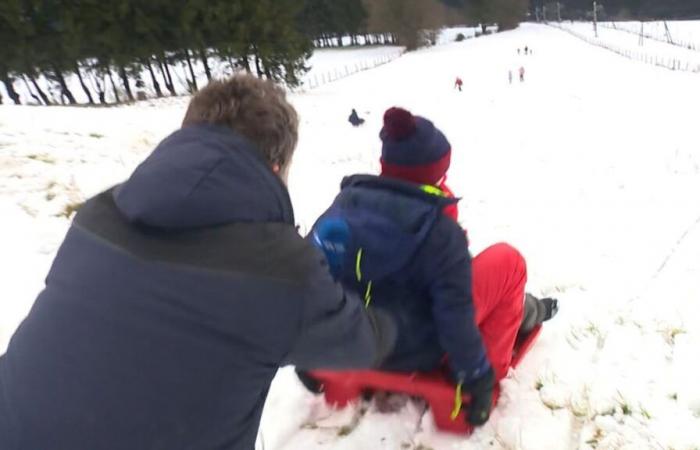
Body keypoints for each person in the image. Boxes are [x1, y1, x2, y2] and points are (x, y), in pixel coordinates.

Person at [0, 75, 396, 450]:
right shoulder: (280, 269)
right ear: (276, 168)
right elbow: (360, 343)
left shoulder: (96, 216)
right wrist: (396, 319)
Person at [307, 107, 558, 426]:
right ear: (435, 174)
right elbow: (455, 311)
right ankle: (493, 364)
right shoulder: (439, 232)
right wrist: (476, 377)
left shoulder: (340, 211)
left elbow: (306, 280)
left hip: (353, 339)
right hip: (418, 350)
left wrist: (308, 350)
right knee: (508, 261)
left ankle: (528, 310)